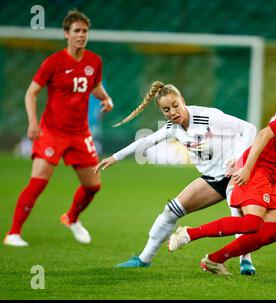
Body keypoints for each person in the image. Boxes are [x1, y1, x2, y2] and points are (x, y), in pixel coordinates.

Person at [168, 75, 276, 275]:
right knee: (252, 223)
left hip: (271, 172)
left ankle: (214, 260)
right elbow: (263, 134)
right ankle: (188, 234)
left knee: (271, 232)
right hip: (258, 166)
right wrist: (246, 168)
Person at [94, 81, 258, 275]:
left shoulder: (209, 116)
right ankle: (143, 259)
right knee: (170, 211)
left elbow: (249, 129)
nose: (172, 112)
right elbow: (146, 141)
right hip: (212, 179)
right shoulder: (172, 127)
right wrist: (115, 157)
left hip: (236, 172)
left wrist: (238, 161)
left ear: (183, 101)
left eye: (175, 105)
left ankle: (245, 261)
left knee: (236, 209)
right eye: (166, 109)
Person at [3, 10, 114, 247]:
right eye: (76, 31)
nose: (81, 35)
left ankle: (72, 218)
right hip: (52, 131)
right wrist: (33, 123)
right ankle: (13, 233)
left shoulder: (94, 61)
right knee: (38, 181)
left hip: (80, 133)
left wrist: (106, 98)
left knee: (93, 186)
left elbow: (93, 85)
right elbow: (31, 93)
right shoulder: (53, 62)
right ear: (66, 34)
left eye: (84, 31)